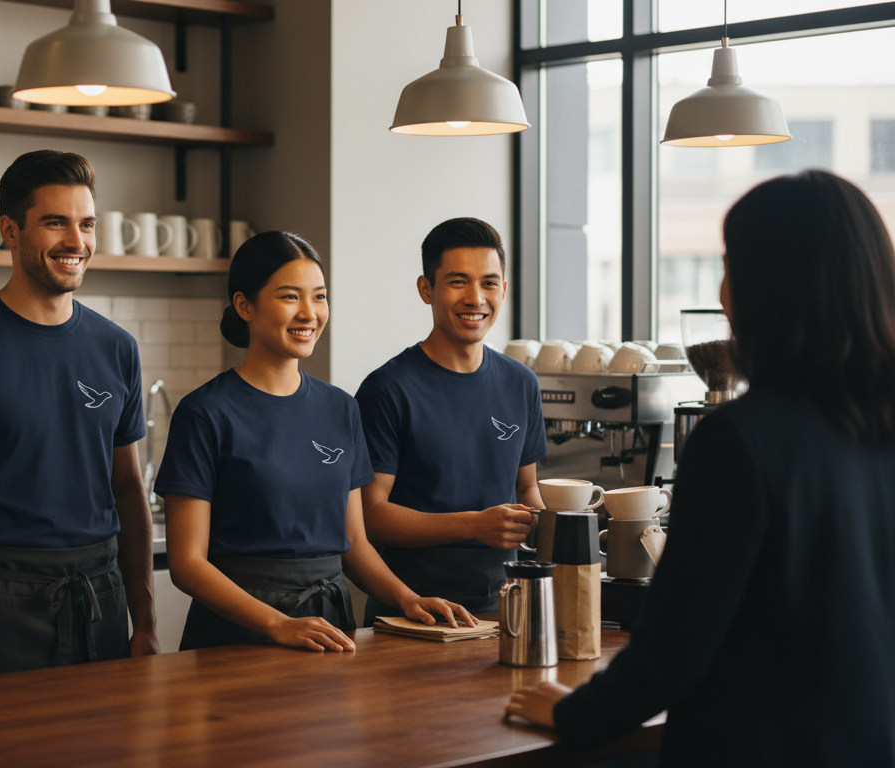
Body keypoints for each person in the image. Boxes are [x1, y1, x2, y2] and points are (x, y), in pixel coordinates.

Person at [506, 170, 895, 766]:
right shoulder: (877, 429)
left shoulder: (739, 440)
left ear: (770, 287)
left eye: (729, 266)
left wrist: (568, 711)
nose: (721, 292)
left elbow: (672, 651)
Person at [0, 150, 157, 678]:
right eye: (54, 222)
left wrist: (146, 622)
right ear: (9, 231)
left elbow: (128, 491)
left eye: (86, 224)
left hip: (99, 594)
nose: (76, 241)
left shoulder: (117, 348)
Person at [155, 231, 476, 652]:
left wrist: (408, 599)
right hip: (237, 636)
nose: (309, 313)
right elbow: (187, 564)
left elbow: (354, 545)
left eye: (319, 297)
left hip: (327, 631)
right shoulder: (205, 413)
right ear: (244, 305)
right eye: (290, 297)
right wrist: (277, 624)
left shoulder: (341, 408)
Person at [355, 218, 544, 619]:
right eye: (458, 282)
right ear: (427, 289)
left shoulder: (521, 382)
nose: (476, 298)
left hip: (506, 604)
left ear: (504, 290)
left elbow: (527, 490)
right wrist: (474, 526)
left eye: (489, 283)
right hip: (413, 608)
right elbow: (371, 517)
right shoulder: (387, 389)